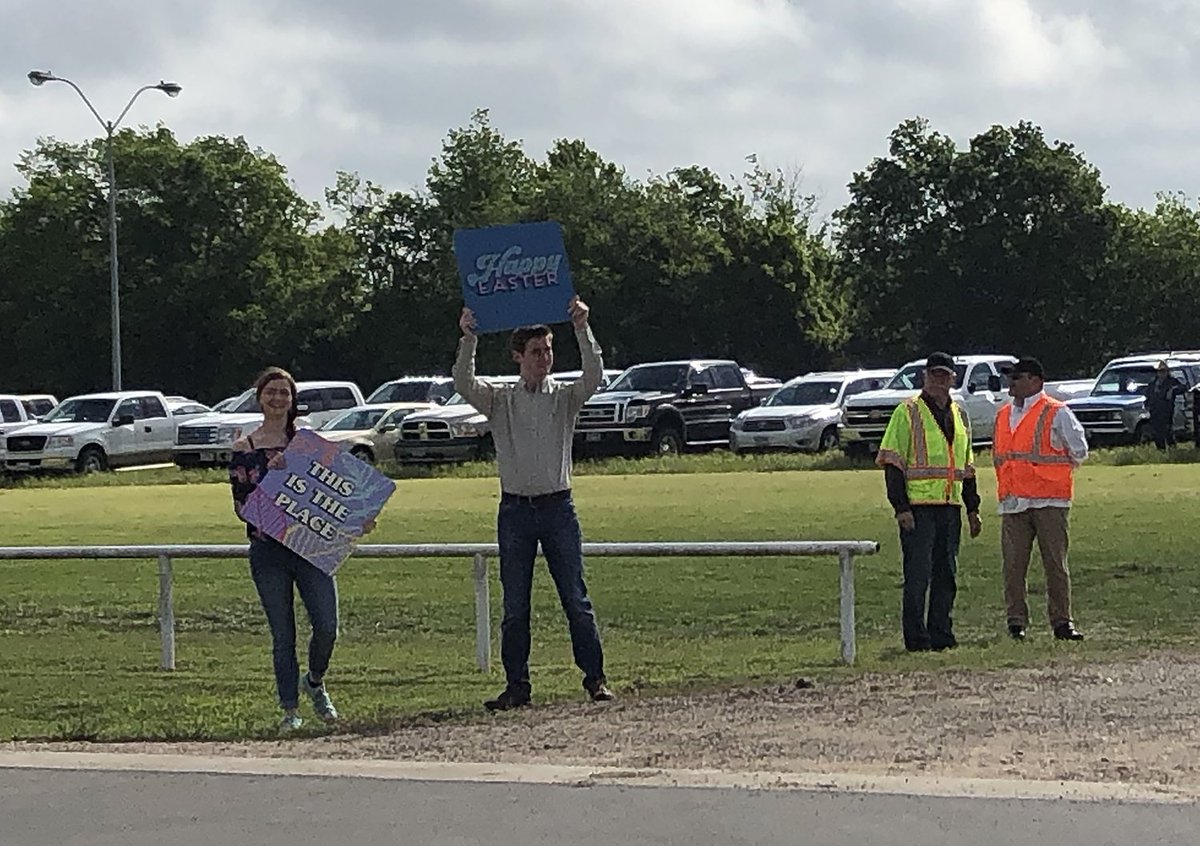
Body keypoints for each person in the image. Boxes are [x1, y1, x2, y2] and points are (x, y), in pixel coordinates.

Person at [454, 296, 615, 710]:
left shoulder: (564, 397)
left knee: (575, 599)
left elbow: (594, 375)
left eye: (548, 350)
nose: (544, 358)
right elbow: (463, 383)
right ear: (517, 356)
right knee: (515, 605)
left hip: (558, 506)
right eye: (536, 351)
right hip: (515, 511)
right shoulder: (500, 400)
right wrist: (468, 337)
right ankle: (517, 686)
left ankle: (595, 678)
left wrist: (582, 327)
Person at [228, 367, 367, 729]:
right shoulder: (245, 448)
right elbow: (243, 507)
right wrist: (273, 476)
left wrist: (358, 518)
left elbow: (335, 489)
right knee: (283, 634)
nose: (278, 399)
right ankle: (290, 709)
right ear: (259, 397)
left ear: (293, 400)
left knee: (327, 626)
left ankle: (315, 682)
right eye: (271, 392)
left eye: (284, 393)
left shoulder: (308, 441)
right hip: (268, 551)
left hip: (311, 548)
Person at [876, 352, 983, 652]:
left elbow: (967, 466)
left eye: (944, 375)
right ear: (924, 377)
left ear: (953, 379)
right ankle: (916, 638)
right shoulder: (907, 411)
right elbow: (893, 462)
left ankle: (941, 634)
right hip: (918, 509)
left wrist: (973, 508)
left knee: (946, 574)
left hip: (950, 507)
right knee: (918, 576)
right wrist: (901, 507)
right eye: (934, 375)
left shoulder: (960, 414)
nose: (939, 381)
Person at [993, 358, 1088, 642]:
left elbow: (1079, 450)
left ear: (1036, 381)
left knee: (1055, 565)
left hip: (1050, 502)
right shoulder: (1003, 415)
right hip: (1013, 502)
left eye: (1017, 377)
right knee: (1013, 566)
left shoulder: (1056, 412)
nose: (1011, 382)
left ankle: (1062, 622)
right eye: (1010, 377)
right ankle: (1016, 622)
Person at [1143, 361, 1184, 450]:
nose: (1162, 373)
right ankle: (1161, 451)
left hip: (1167, 411)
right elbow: (1148, 395)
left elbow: (1182, 388)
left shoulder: (1172, 381)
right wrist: (1147, 405)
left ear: (1167, 371)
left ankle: (1173, 450)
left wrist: (1172, 390)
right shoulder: (1153, 383)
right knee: (1157, 433)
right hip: (1155, 411)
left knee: (1167, 431)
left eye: (1164, 371)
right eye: (1160, 371)